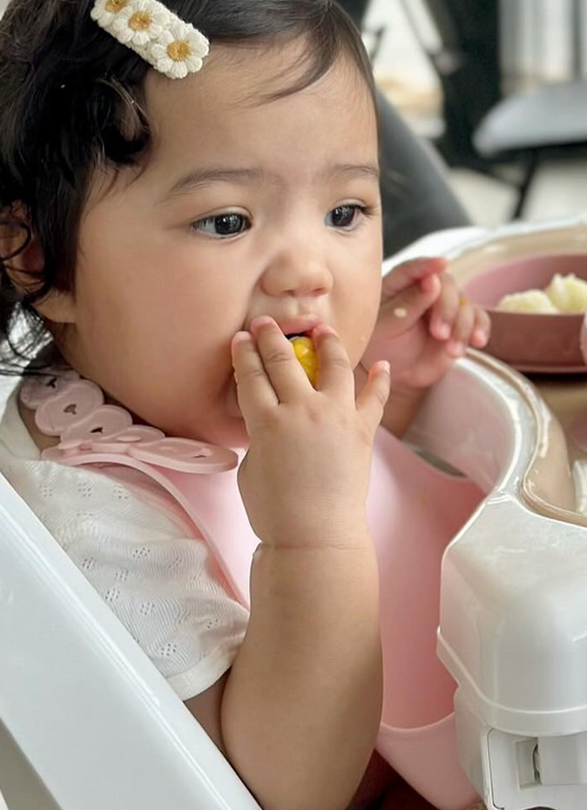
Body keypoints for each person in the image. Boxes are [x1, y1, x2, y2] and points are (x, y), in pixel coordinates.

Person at [0, 1, 490, 808]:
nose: (309, 270)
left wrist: (381, 400)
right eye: (227, 220)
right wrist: (311, 537)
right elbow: (284, 787)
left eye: (344, 213)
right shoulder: (91, 523)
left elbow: (254, 484)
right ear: (42, 259)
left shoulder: (157, 390)